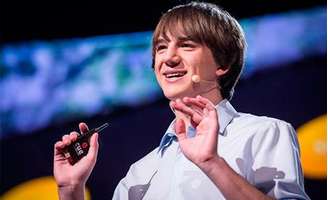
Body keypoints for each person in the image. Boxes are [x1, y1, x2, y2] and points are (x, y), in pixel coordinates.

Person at [53, 2, 310, 199]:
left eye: (186, 45)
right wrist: (72, 189)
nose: (168, 58)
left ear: (223, 63)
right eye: (161, 48)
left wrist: (212, 163)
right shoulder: (138, 174)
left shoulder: (264, 133)